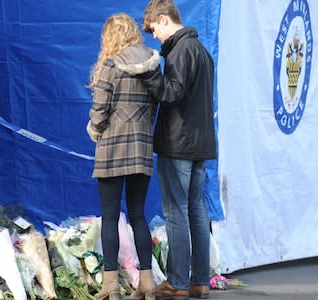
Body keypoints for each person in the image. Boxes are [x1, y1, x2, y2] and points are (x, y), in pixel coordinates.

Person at [133, 0, 217, 299]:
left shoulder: (179, 51)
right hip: (201, 144)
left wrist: (149, 72)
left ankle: (178, 283)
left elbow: (172, 92)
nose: (154, 36)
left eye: (154, 29)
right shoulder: (202, 51)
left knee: (176, 212)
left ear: (164, 20)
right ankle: (201, 282)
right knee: (196, 210)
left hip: (178, 143)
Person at [86, 13, 161, 300]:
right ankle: (147, 283)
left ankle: (111, 286)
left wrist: (95, 129)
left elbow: (99, 110)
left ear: (111, 37)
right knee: (139, 215)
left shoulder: (110, 65)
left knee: (110, 216)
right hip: (141, 147)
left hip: (112, 149)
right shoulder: (153, 66)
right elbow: (155, 108)